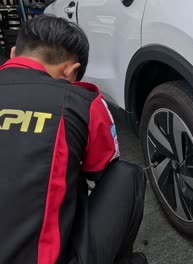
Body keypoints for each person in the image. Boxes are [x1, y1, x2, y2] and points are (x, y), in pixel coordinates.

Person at [0, 15, 147, 264]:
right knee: (125, 174)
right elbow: (99, 169)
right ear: (71, 70)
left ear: (14, 53)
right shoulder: (82, 101)